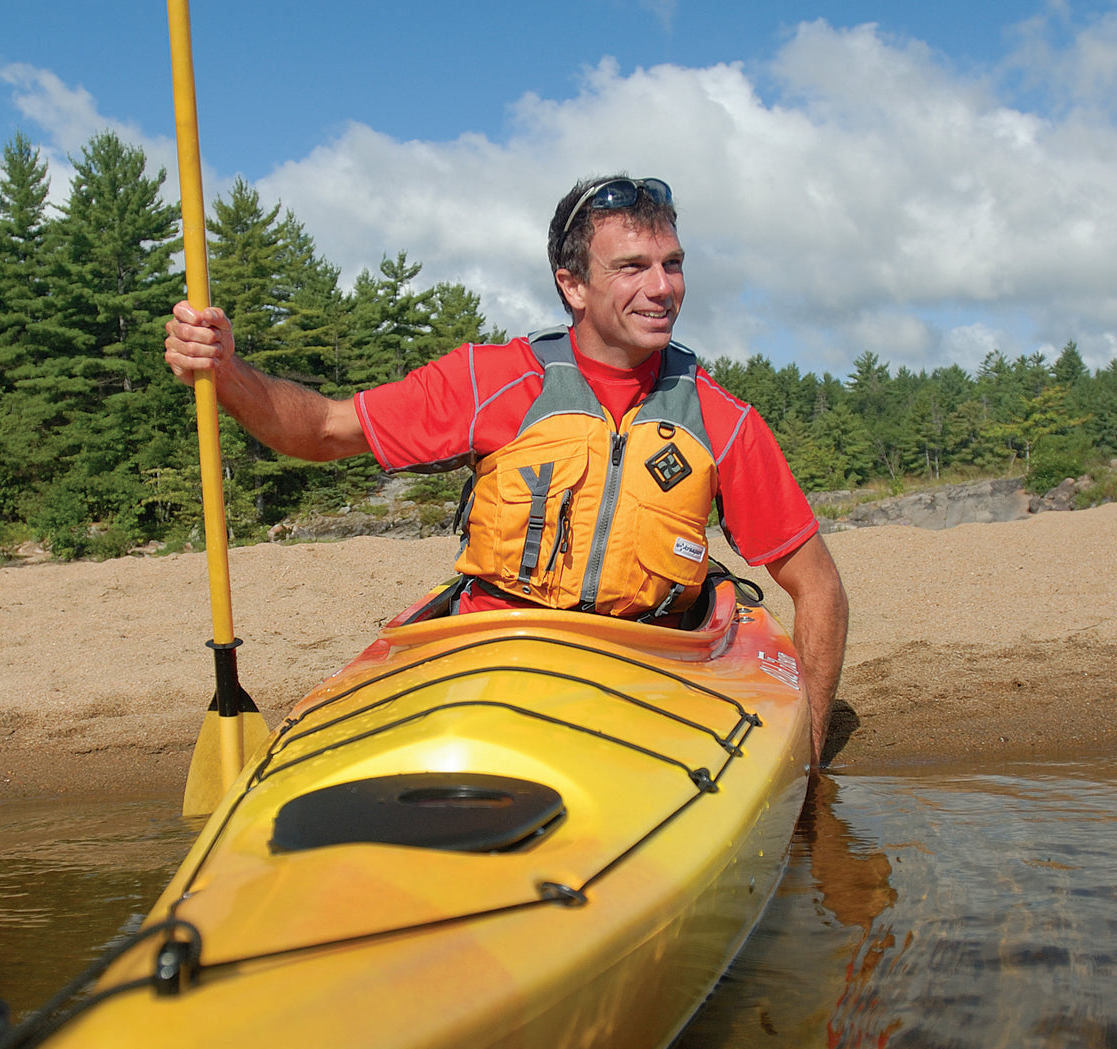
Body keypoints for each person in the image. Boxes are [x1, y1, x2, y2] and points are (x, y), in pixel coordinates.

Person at [164, 175, 849, 771]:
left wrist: (808, 768)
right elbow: (320, 428)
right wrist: (224, 371)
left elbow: (817, 587)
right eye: (632, 267)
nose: (661, 287)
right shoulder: (492, 381)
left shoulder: (719, 417)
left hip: (648, 669)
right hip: (493, 658)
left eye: (671, 264)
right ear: (572, 284)